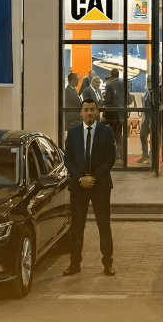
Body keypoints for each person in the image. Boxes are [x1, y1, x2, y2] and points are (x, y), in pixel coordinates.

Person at [63, 99, 117, 277]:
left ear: (97, 111)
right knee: (77, 227)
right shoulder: (72, 133)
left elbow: (110, 159)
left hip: (100, 186)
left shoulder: (107, 132)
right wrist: (80, 178)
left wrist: (93, 178)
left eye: (92, 110)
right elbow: (68, 160)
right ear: (81, 112)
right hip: (78, 187)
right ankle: (74, 264)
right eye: (86, 110)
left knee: (104, 226)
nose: (89, 113)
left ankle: (107, 263)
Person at [104, 69, 126, 157]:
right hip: (122, 114)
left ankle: (114, 157)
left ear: (111, 75)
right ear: (118, 75)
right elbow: (129, 99)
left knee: (112, 137)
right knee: (119, 137)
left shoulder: (110, 86)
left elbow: (108, 101)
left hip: (112, 116)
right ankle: (122, 156)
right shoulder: (123, 85)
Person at [138, 76, 153, 164]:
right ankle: (145, 154)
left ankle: (151, 155)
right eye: (147, 80)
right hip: (146, 118)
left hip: (151, 118)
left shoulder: (153, 92)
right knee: (142, 135)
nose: (148, 82)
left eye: (150, 81)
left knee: (153, 138)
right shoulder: (146, 91)